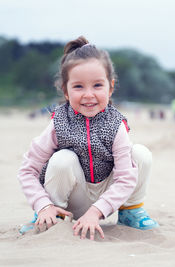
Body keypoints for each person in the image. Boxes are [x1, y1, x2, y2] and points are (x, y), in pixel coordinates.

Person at [17, 36, 159, 240]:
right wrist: (43, 205)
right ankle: (51, 216)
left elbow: (126, 178)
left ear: (110, 88)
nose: (88, 95)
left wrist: (96, 211)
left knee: (141, 153)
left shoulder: (116, 124)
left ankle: (131, 212)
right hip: (72, 199)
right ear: (65, 90)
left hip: (109, 198)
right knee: (62, 159)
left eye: (97, 85)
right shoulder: (58, 123)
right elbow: (27, 170)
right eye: (78, 87)